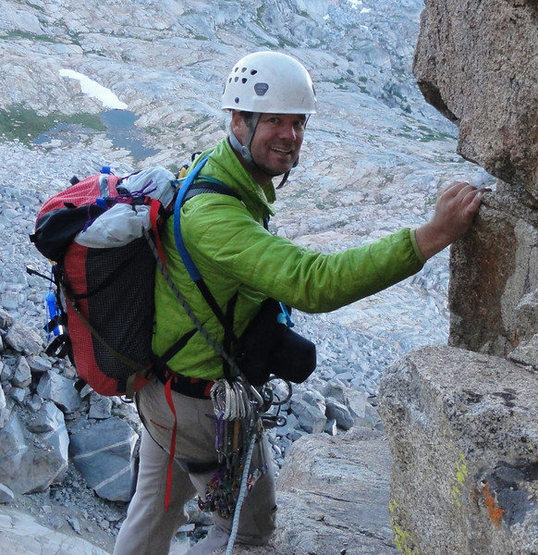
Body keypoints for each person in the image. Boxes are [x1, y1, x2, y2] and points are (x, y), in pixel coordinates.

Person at [113, 51, 484, 555]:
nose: (289, 136)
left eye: (298, 122)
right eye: (274, 122)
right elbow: (313, 282)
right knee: (246, 533)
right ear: (238, 121)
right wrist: (430, 236)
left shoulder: (216, 169)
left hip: (164, 390)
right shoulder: (214, 215)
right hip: (201, 405)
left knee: (153, 513)